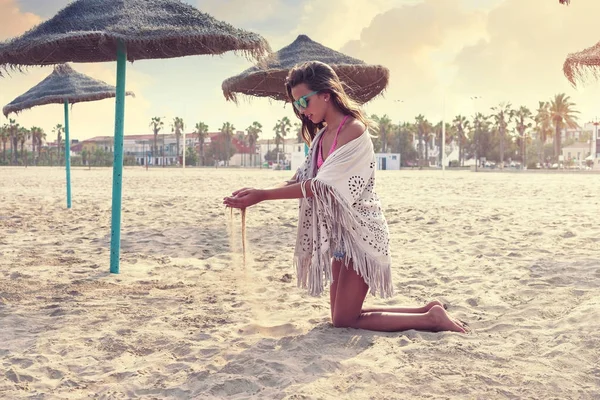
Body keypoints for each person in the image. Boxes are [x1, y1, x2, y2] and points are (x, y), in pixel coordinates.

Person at [223, 61, 465, 333]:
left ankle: (432, 320)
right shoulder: (322, 136)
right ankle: (426, 309)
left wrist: (263, 196)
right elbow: (300, 180)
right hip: (341, 235)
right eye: (296, 105)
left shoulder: (354, 131)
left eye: (305, 100)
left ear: (326, 93)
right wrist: (254, 192)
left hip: (361, 234)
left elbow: (323, 186)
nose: (302, 109)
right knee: (342, 316)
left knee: (345, 320)